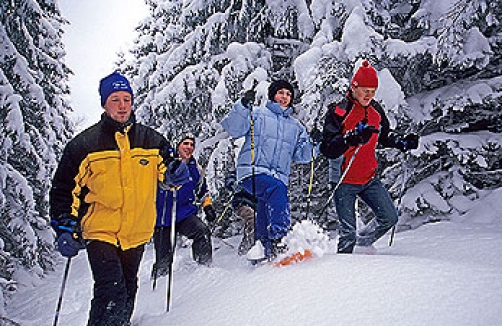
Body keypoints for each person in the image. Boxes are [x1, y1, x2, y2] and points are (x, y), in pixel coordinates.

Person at [49, 72, 189, 326]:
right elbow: (64, 189)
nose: (123, 105)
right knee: (110, 290)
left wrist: (173, 173)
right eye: (115, 99)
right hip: (101, 229)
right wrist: (65, 225)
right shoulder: (83, 145)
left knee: (128, 289)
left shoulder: (152, 140)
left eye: (126, 99)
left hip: (137, 230)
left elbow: (167, 171)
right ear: (104, 104)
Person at [320, 60, 419, 253]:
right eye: (365, 90)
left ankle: (362, 247)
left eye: (373, 91)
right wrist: (350, 139)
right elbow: (328, 148)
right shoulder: (339, 111)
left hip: (368, 178)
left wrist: (402, 141)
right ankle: (343, 271)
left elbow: (384, 136)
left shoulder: (376, 110)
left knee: (390, 218)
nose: (369, 95)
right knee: (348, 233)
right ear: (354, 87)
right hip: (343, 180)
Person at [221, 80, 315, 261]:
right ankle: (280, 238)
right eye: (281, 93)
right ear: (273, 95)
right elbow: (234, 129)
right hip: (252, 172)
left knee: (265, 206)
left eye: (288, 94)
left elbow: (302, 156)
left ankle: (264, 249)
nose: (285, 97)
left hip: (277, 176)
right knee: (276, 190)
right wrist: (242, 106)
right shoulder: (257, 114)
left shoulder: (296, 126)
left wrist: (315, 143)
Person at [152, 134, 216, 277]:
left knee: (202, 231)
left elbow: (202, 190)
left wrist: (208, 206)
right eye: (185, 143)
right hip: (163, 218)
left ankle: (204, 269)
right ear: (178, 145)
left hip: (184, 214)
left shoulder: (196, 169)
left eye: (191, 144)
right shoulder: (164, 163)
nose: (189, 147)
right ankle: (158, 285)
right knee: (163, 257)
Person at [224, 171, 257, 256]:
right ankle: (249, 250)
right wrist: (233, 183)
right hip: (242, 203)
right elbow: (230, 177)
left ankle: (246, 248)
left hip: (258, 205)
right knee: (253, 219)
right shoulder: (245, 167)